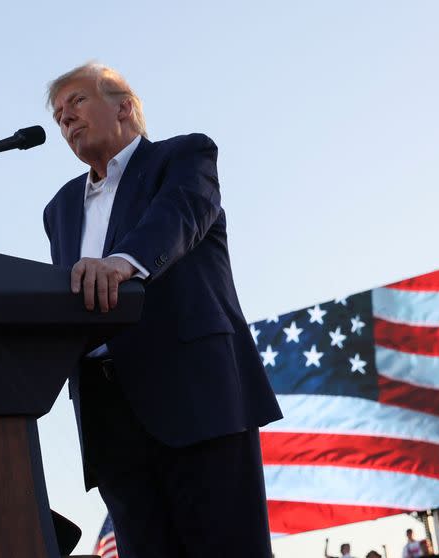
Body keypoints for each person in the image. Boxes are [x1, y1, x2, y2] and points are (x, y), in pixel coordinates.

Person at [43, 61, 283, 557]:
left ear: (123, 106)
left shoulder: (184, 157)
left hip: (195, 398)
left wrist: (122, 264)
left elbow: (179, 216)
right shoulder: (60, 208)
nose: (66, 119)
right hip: (109, 417)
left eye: (77, 103)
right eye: (59, 115)